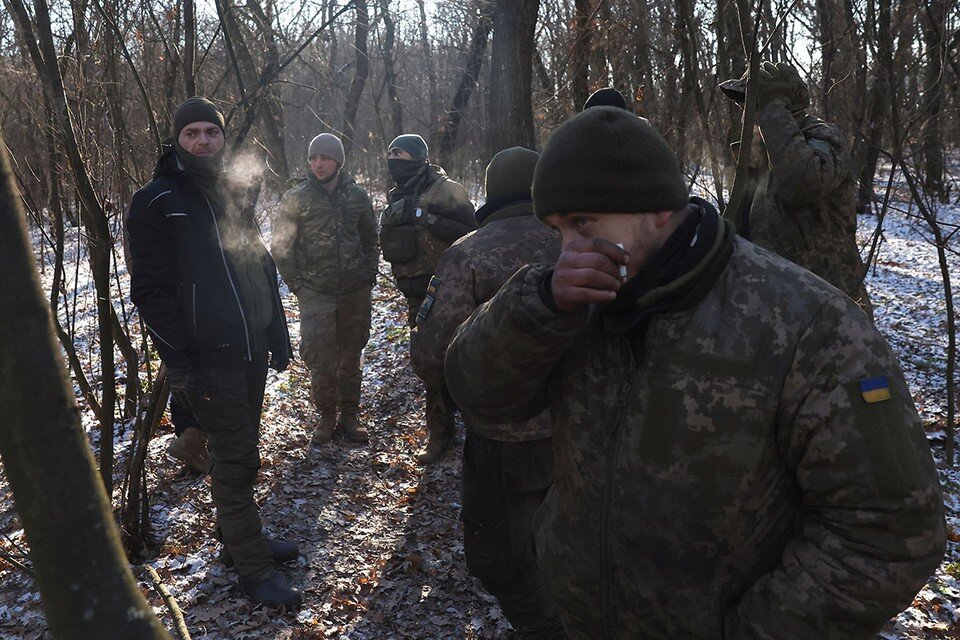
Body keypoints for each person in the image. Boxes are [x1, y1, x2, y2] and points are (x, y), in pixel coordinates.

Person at [444, 106, 946, 638]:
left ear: (658, 209)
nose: (566, 249)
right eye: (557, 228)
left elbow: (889, 531)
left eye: (583, 223)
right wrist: (538, 307)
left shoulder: (807, 322)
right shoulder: (573, 302)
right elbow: (479, 397)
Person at [127, 97, 301, 608]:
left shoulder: (231, 192)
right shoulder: (157, 200)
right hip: (207, 356)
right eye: (192, 134)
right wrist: (178, 360)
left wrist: (276, 335)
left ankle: (236, 539)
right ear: (176, 141)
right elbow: (151, 290)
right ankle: (252, 566)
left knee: (242, 448)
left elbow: (255, 267)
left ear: (223, 139)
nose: (203, 140)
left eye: (211, 132)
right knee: (237, 456)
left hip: (249, 349)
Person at [410, 147, 565, 639]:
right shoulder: (582, 241)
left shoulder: (469, 253)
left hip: (502, 443)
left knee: (500, 560)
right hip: (586, 430)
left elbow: (430, 353)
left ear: (491, 191)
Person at [719, 61, 872, 316]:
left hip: (828, 304)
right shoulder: (760, 149)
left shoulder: (822, 136)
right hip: (777, 304)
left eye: (755, 103)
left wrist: (773, 111)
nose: (747, 112)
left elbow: (802, 184)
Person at [273, 133, 378, 445]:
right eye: (314, 158)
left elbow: (370, 239)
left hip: (355, 291)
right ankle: (326, 416)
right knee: (321, 359)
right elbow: (281, 246)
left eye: (325, 158)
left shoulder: (358, 196)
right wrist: (299, 285)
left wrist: (368, 273)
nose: (318, 164)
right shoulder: (296, 198)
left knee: (350, 355)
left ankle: (350, 414)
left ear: (338, 161)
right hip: (316, 293)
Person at [379, 133, 477, 464]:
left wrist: (423, 216)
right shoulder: (395, 195)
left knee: (464, 356)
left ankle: (478, 427)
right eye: (391, 153)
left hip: (455, 289)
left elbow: (472, 230)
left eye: (402, 154)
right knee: (428, 362)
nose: (395, 160)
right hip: (416, 294)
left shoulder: (446, 189)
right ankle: (440, 433)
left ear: (419, 157)